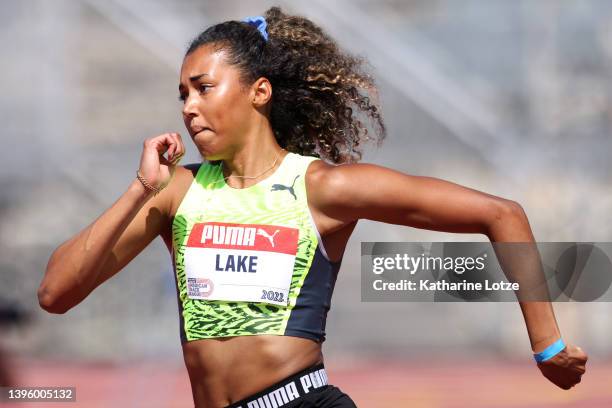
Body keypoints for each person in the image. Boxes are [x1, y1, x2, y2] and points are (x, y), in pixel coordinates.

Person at [38, 7, 588, 408]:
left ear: (259, 92)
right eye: (182, 94)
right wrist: (139, 188)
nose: (189, 107)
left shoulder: (322, 188)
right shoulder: (176, 193)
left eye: (203, 88)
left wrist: (548, 346)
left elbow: (502, 214)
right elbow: (55, 294)